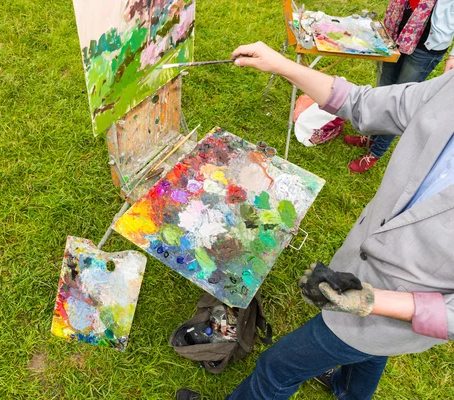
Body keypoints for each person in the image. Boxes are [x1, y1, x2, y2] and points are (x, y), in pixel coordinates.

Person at [177, 42, 454, 400]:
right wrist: (282, 65)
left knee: (278, 367)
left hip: (393, 311)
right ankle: (349, 391)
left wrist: (371, 301)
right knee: (368, 353)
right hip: (361, 269)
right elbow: (363, 103)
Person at [345, 0, 454, 173]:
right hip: (394, 31)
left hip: (426, 47)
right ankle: (371, 137)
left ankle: (376, 151)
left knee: (400, 102)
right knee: (382, 91)